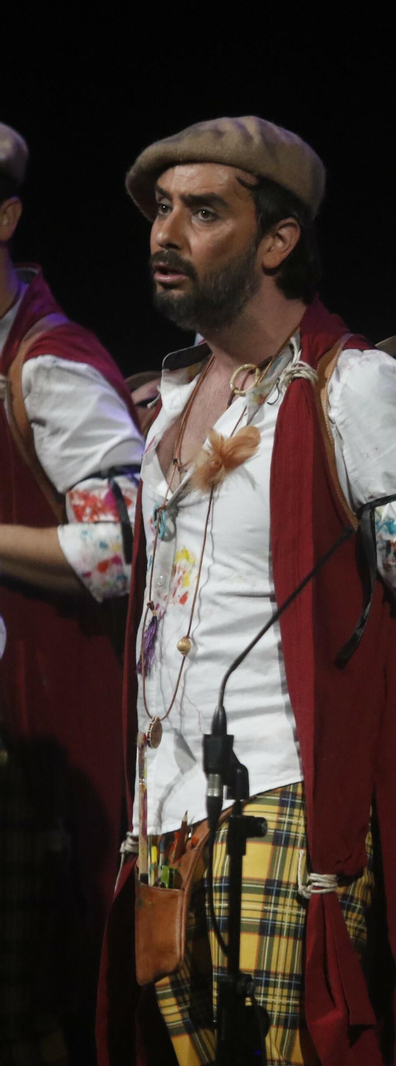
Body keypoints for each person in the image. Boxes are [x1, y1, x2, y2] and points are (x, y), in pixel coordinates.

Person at [98, 115, 396, 1065]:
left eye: (203, 212)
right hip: (163, 821)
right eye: (162, 210)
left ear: (277, 240)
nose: (165, 233)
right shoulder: (170, 408)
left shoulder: (357, 388)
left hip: (287, 805)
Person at [0, 120, 144, 1064]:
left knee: (40, 1010)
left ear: (5, 218)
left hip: (49, 763)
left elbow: (118, 547)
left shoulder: (46, 365)